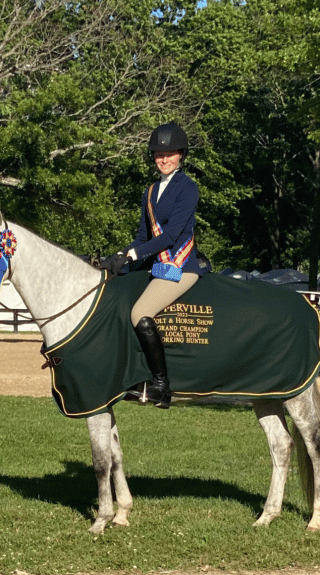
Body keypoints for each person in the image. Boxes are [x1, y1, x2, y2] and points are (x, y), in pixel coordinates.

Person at [103, 122, 207, 409]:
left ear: (181, 155)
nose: (164, 159)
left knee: (141, 311)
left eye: (170, 154)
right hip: (157, 265)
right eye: (159, 155)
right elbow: (142, 237)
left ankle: (161, 386)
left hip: (182, 266)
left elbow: (172, 235)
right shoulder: (150, 192)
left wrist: (134, 255)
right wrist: (118, 255)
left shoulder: (188, 188)